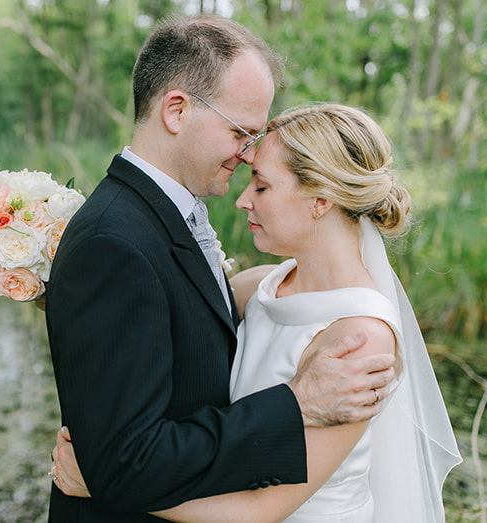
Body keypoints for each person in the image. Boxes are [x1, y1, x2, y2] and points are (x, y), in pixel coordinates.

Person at [45, 15, 396, 522]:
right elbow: (124, 462)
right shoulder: (114, 241)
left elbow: (170, 327)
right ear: (177, 110)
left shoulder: (173, 227)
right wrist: (297, 401)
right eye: (240, 131)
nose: (249, 152)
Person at [52, 103, 463, 521]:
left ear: (320, 199)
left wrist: (109, 484)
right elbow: (163, 311)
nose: (243, 200)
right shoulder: (262, 285)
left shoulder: (360, 340)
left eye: (262, 186)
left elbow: (260, 509)